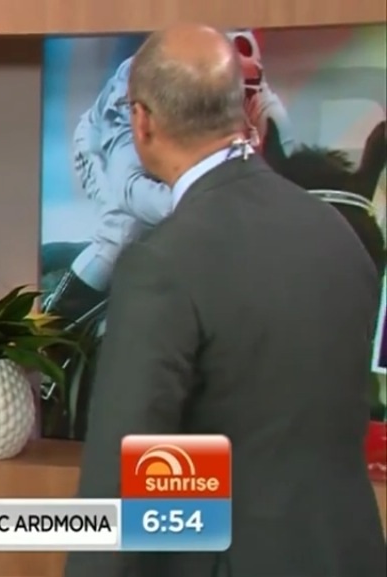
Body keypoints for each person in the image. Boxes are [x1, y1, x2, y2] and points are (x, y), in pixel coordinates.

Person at [66, 24, 386, 577]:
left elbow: (127, 475)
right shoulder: (338, 233)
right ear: (241, 111)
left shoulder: (162, 263)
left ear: (141, 121)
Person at [44, 29, 294, 322]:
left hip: (180, 155)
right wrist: (210, 205)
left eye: (242, 96)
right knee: (122, 234)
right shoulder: (132, 92)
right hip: (105, 148)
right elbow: (129, 190)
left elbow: (290, 172)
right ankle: (53, 325)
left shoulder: (257, 94)